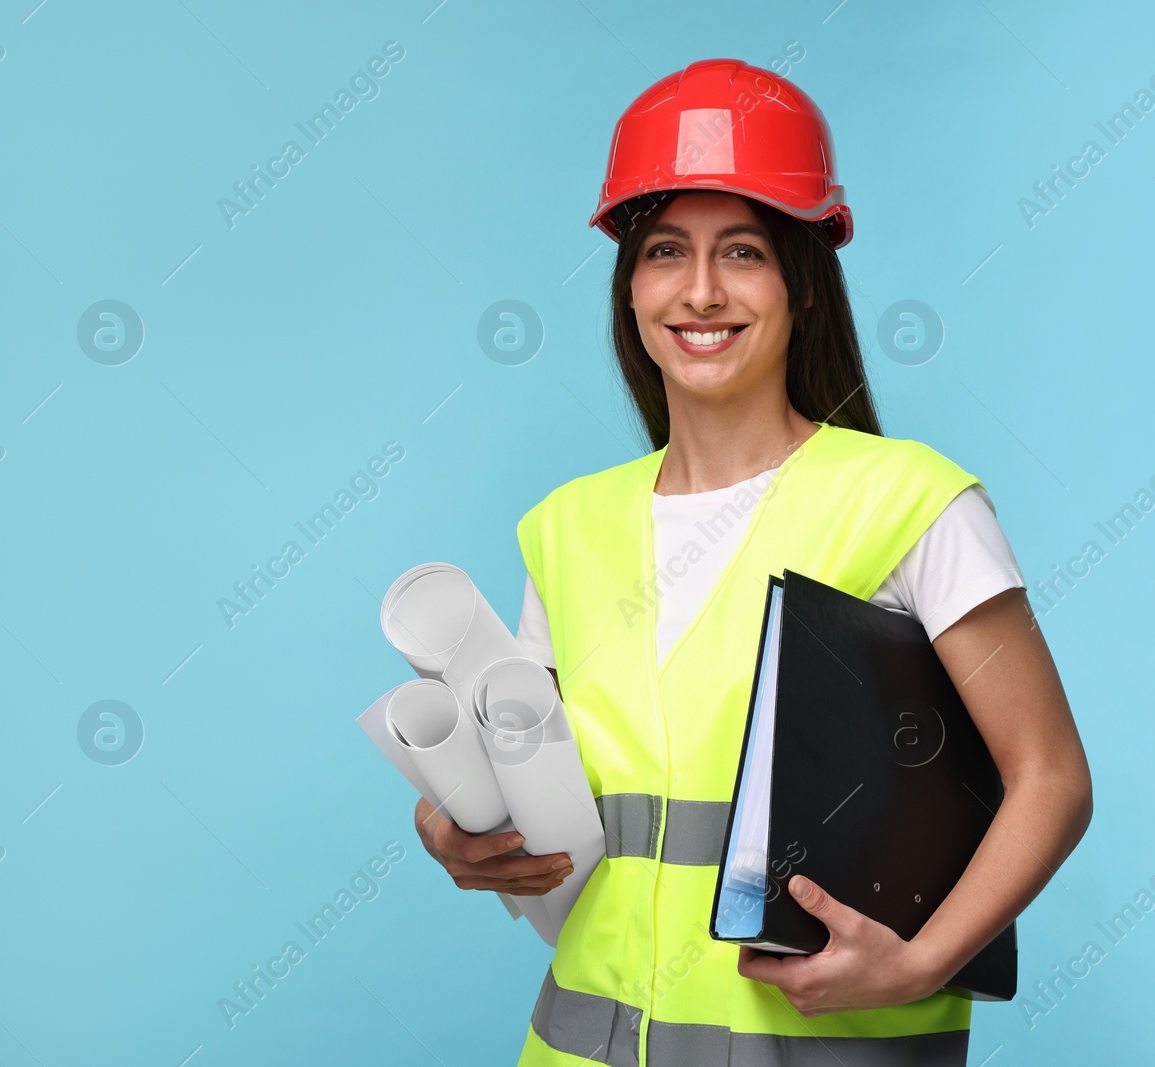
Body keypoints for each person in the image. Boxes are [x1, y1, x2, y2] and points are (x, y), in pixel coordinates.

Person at [414, 58, 1092, 1065]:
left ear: (802, 286)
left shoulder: (908, 501)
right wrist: (452, 825)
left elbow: (1050, 775)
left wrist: (921, 960)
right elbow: (536, 776)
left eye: (741, 251)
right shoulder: (567, 527)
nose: (698, 290)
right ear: (629, 287)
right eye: (663, 252)